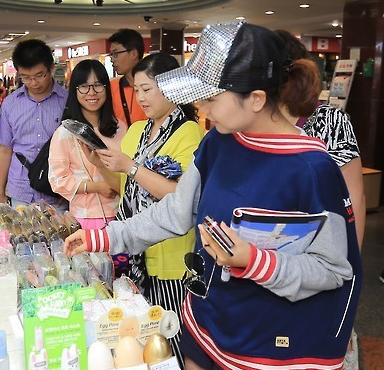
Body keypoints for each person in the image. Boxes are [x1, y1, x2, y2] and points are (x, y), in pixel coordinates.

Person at [64, 22, 362, 370]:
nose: (202, 108)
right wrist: (104, 237)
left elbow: (332, 269)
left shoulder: (311, 167)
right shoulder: (217, 143)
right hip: (207, 324)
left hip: (269, 346)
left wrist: (254, 260)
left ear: (256, 99)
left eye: (211, 98)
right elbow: (176, 212)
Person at [88, 52, 204, 368]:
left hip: (170, 254)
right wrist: (102, 164)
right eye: (136, 90)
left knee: (171, 338)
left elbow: (182, 196)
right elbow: (121, 184)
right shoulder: (138, 130)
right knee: (143, 336)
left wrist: (131, 165)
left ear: (171, 89)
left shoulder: (188, 132)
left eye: (147, 89)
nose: (140, 97)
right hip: (136, 251)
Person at [275, 29, 365, 370]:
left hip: (324, 263)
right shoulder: (251, 124)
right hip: (272, 264)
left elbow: (353, 199)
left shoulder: (328, 120)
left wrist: (348, 274)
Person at [275, 29, 366, 249]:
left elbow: (353, 196)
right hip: (260, 250)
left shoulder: (330, 120)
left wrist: (352, 263)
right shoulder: (251, 119)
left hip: (319, 246)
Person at [48, 59, 125, 229]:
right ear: (74, 90)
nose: (91, 92)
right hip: (86, 218)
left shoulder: (120, 127)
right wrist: (96, 187)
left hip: (123, 216)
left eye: (98, 85)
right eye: (84, 86)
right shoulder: (66, 132)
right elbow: (57, 180)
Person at [0, 39, 68, 208]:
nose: (34, 83)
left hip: (58, 191)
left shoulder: (67, 101)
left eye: (40, 75)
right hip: (20, 189)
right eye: (26, 77)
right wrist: (0, 193)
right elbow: (5, 150)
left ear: (51, 68)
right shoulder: (11, 103)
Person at [108, 28, 147, 127]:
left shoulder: (156, 84)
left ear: (133, 53)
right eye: (111, 54)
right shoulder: (111, 87)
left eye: (116, 54)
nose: (112, 59)